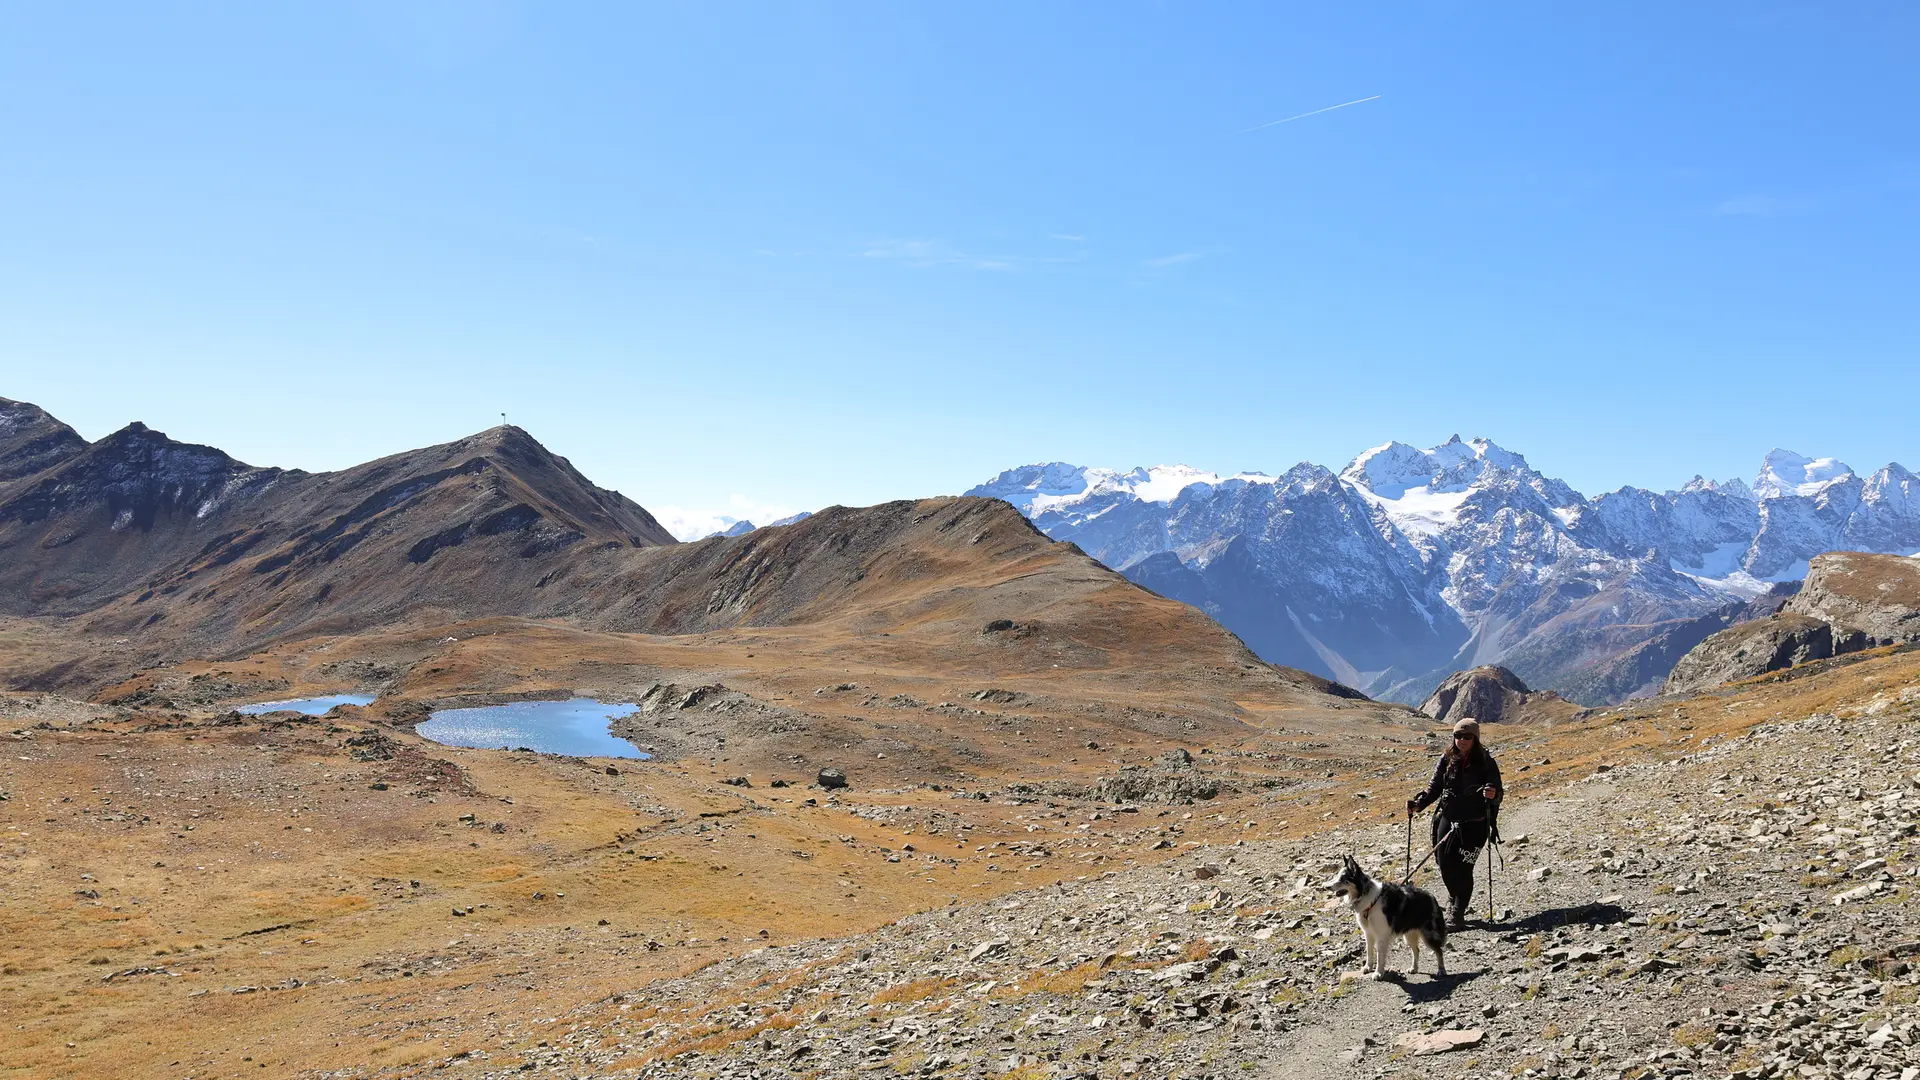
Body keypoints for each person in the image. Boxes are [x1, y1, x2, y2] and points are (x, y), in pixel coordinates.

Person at [1406, 717, 1503, 929]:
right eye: (1458, 735)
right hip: (1448, 818)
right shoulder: (1447, 758)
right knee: (1445, 865)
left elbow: (1498, 793)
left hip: (1475, 823)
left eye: (1467, 736)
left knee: (1463, 869)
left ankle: (1458, 912)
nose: (1462, 740)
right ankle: (1453, 898)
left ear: (1475, 738)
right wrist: (1419, 805)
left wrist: (1492, 793)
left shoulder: (1486, 761)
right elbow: (1434, 787)